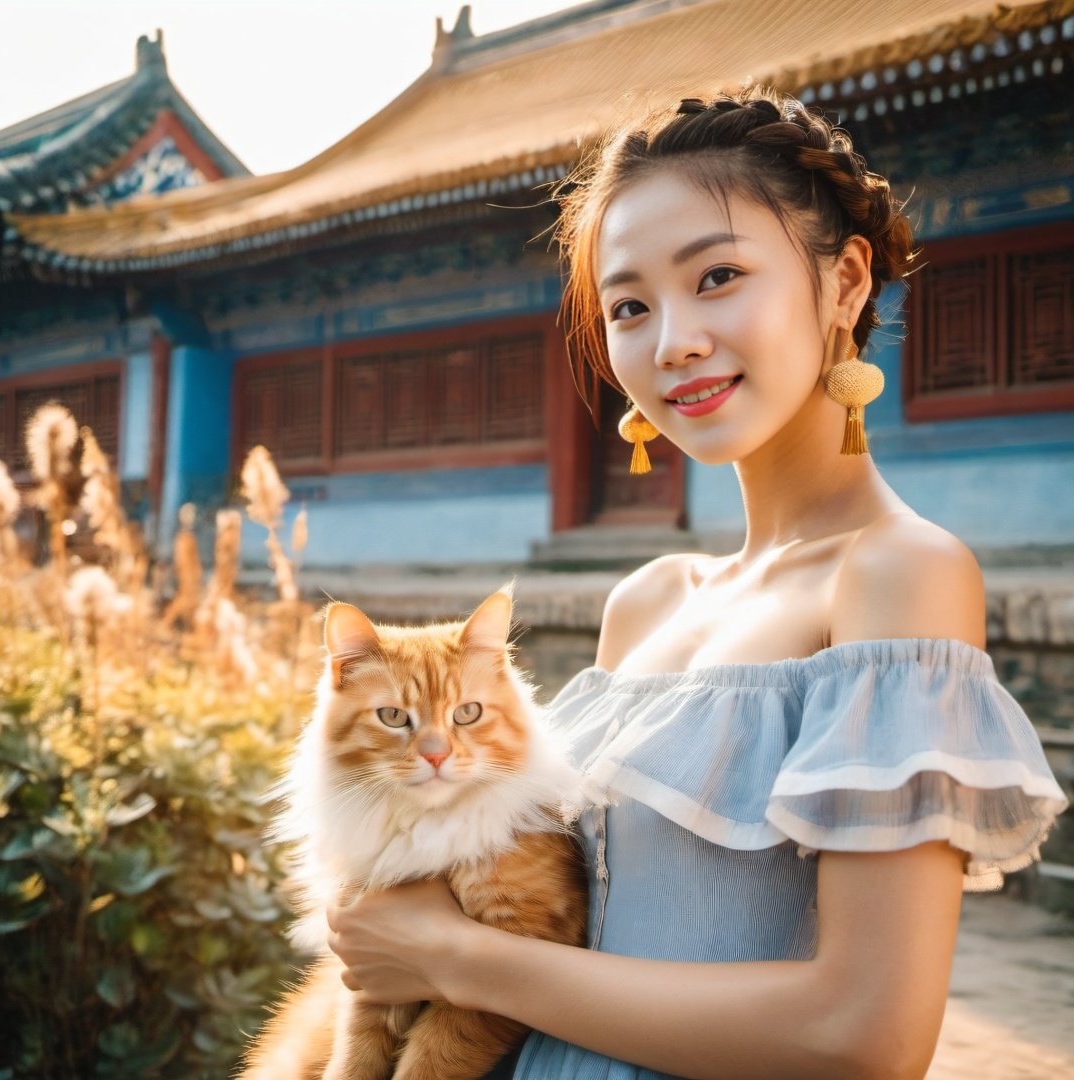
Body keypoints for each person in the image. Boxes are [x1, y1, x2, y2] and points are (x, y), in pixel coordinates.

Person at [325, 89, 1069, 1079]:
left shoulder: (897, 575)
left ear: (844, 283)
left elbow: (864, 1034)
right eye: (629, 306)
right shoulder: (645, 601)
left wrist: (460, 958)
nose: (670, 340)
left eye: (718, 276)